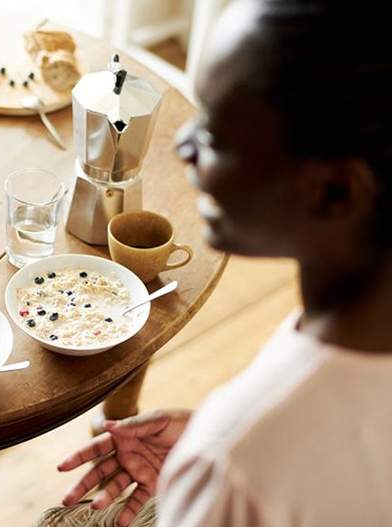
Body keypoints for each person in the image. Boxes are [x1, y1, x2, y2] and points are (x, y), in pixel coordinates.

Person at [56, 1, 392, 526]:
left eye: (215, 135)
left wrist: (219, 456)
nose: (182, 144)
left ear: (335, 190)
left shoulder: (236, 463)